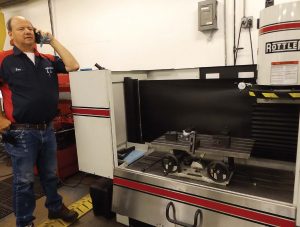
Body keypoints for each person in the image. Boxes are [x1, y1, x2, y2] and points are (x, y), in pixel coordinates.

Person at [0, 16, 80, 227]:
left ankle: (55, 209)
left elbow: (73, 65)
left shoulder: (47, 60)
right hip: (21, 133)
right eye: (21, 28)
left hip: (47, 129)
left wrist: (52, 40)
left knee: (50, 176)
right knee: (24, 182)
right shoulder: (3, 59)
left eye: (30, 28)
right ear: (10, 35)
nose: (27, 31)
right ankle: (25, 222)